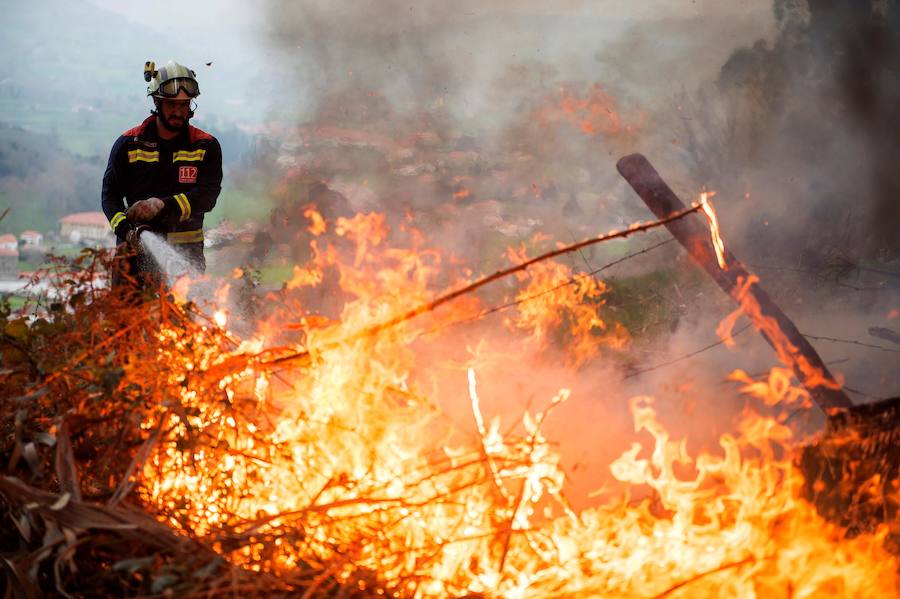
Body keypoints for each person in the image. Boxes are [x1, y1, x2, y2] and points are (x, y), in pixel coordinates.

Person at [101, 60, 222, 286]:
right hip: (132, 258)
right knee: (127, 320)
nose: (179, 111)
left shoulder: (205, 146)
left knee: (184, 319)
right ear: (157, 101)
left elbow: (207, 196)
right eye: (171, 104)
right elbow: (109, 197)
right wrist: (126, 230)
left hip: (186, 257)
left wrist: (163, 205)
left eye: (184, 104)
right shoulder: (129, 144)